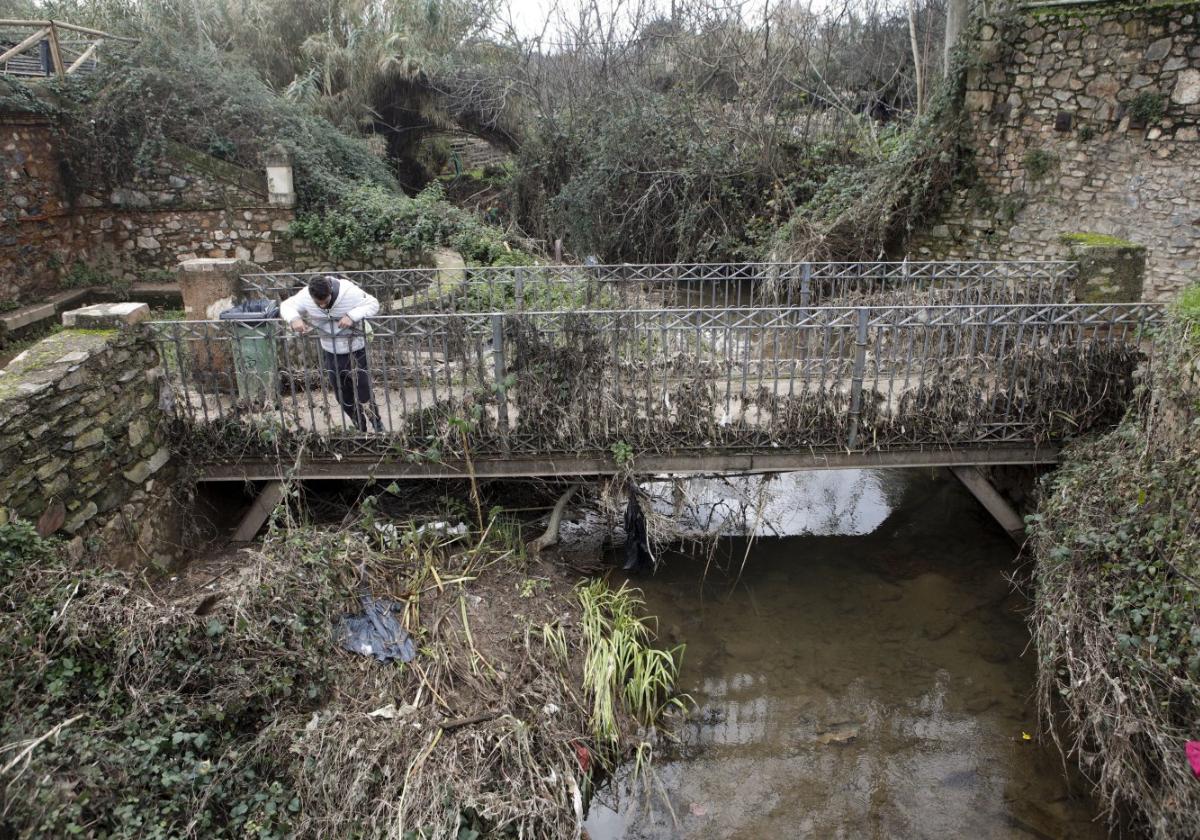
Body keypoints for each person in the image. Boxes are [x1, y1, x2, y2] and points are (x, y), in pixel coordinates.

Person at [280, 275, 383, 433]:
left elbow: (373, 304)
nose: (322, 305)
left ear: (331, 291)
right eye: (318, 303)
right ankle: (359, 425)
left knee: (364, 391)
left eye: (325, 301)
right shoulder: (305, 295)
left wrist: (352, 315)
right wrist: (294, 318)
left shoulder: (349, 292)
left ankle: (376, 423)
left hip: (355, 348)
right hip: (330, 350)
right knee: (342, 395)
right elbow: (286, 305)